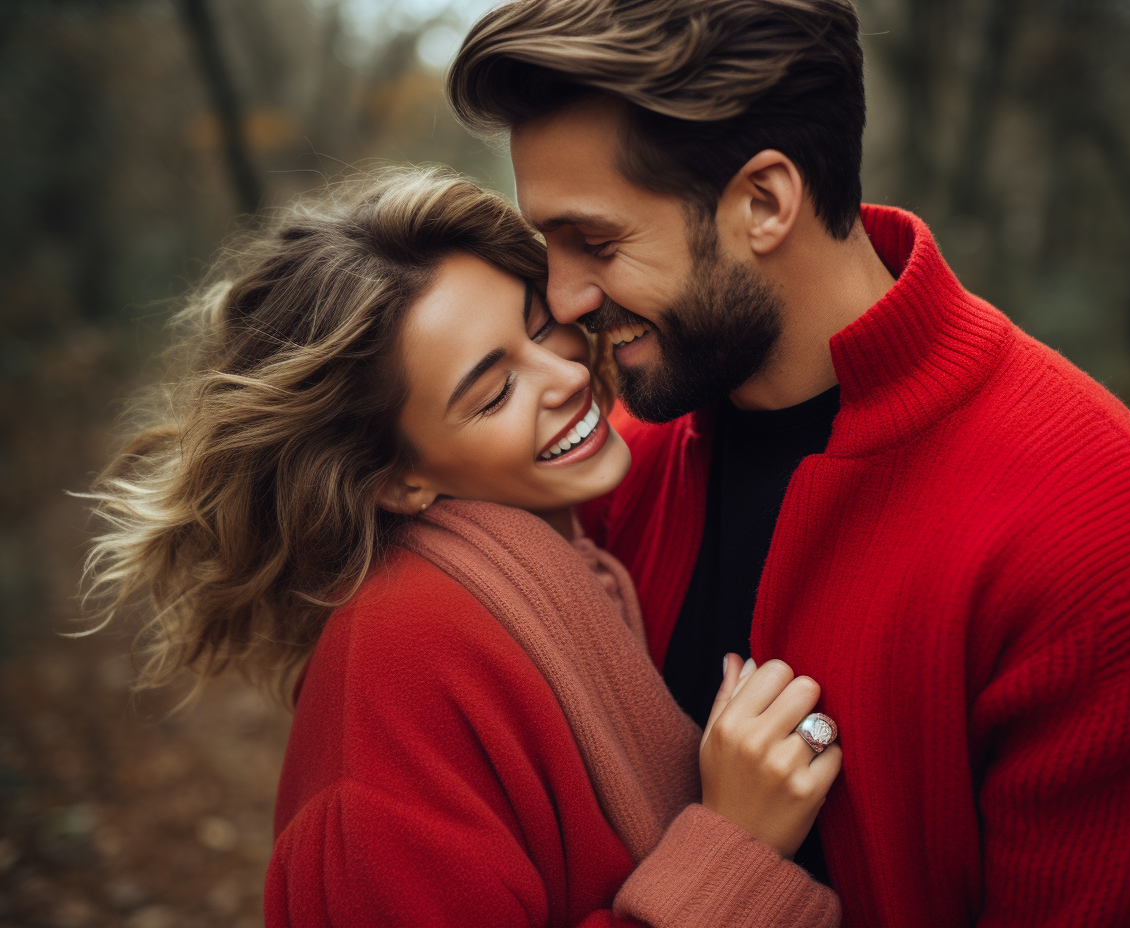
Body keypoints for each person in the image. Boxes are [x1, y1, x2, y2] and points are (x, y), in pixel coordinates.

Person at [447, 1, 1130, 925]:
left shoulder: (1111, 550)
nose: (566, 296)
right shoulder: (629, 466)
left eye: (598, 242)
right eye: (548, 242)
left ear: (765, 202)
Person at [78, 166, 847, 926]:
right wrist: (733, 850)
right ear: (395, 479)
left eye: (541, 324)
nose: (563, 375)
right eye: (493, 391)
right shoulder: (403, 665)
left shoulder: (572, 569)